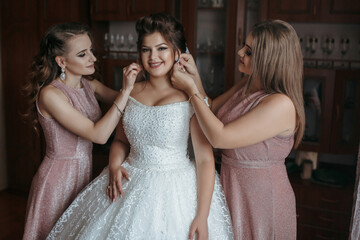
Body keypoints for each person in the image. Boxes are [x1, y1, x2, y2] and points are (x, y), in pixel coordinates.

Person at [46, 13, 234, 240]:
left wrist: (202, 216)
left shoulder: (188, 96)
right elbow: (120, 140)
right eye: (146, 50)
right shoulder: (131, 91)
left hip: (177, 190)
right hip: (130, 181)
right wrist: (115, 165)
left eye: (162, 48)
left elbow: (205, 159)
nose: (153, 57)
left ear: (177, 52)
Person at [171, 19, 305, 240]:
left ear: (269, 60)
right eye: (245, 45)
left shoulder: (281, 104)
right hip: (231, 186)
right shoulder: (248, 84)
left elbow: (219, 136)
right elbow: (212, 108)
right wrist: (194, 75)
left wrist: (190, 89)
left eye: (249, 51)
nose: (240, 51)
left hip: (260, 200)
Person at [22, 22, 138, 240]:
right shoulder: (51, 95)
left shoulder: (88, 84)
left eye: (91, 50)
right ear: (61, 61)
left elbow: (129, 102)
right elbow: (99, 134)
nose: (93, 58)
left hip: (84, 173)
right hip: (56, 180)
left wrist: (151, 75)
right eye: (83, 54)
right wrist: (126, 89)